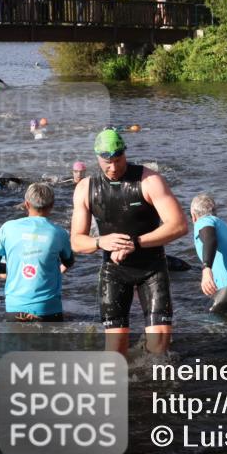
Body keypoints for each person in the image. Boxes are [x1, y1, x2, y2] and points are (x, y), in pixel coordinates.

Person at [70, 129, 187, 356]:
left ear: (125, 154)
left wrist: (136, 242)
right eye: (107, 162)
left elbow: (179, 225)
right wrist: (100, 241)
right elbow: (76, 241)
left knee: (158, 348)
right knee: (115, 352)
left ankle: (157, 389)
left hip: (151, 267)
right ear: (97, 158)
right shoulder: (85, 188)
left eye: (118, 160)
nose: (113, 168)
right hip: (114, 272)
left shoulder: (149, 180)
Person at [0, 183, 75, 321]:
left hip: (15, 308)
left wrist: (14, 268)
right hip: (48, 309)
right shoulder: (59, 233)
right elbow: (69, 261)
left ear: (26, 204)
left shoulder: (8, 228)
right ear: (52, 205)